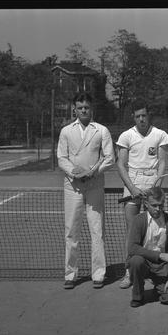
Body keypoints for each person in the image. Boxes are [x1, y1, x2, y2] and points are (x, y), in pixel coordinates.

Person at [57, 92, 115, 289]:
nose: (83, 110)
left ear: (92, 109)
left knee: (97, 230)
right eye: (80, 107)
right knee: (71, 231)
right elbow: (61, 158)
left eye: (87, 107)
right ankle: (70, 274)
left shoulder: (101, 130)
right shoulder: (66, 131)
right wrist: (75, 173)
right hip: (72, 186)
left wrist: (93, 172)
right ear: (74, 108)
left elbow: (109, 158)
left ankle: (98, 274)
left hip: (95, 186)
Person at [115, 100, 168, 289]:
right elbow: (121, 165)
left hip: (152, 184)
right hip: (132, 184)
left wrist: (156, 186)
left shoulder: (160, 135)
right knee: (133, 231)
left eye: (144, 115)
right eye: (138, 116)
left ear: (149, 116)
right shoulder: (126, 136)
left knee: (154, 230)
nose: (141, 119)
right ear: (134, 117)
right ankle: (129, 272)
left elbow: (162, 163)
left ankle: (153, 270)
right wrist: (132, 188)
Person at [126, 187, 168, 308]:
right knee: (136, 261)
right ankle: (138, 296)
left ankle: (159, 287)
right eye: (154, 205)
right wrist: (159, 255)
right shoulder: (138, 220)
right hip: (144, 263)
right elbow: (132, 248)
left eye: (161, 205)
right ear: (146, 204)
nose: (158, 209)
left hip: (162, 266)